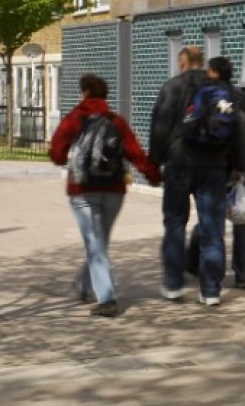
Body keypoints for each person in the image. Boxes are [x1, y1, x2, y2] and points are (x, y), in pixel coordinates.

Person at [48, 73, 161, 317]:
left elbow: (56, 152)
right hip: (113, 190)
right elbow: (135, 152)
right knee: (98, 243)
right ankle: (83, 283)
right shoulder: (116, 121)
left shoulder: (73, 119)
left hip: (82, 191)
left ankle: (107, 299)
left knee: (94, 244)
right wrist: (153, 176)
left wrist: (66, 157)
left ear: (85, 92)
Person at [149, 45, 245, 307]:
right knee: (212, 229)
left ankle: (173, 284)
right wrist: (239, 165)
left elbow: (159, 126)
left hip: (179, 164)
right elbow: (237, 129)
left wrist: (153, 163)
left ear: (182, 63)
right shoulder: (221, 91)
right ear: (202, 64)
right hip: (214, 166)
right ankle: (210, 290)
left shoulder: (172, 87)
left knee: (174, 223)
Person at [187, 57, 245, 288]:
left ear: (215, 73)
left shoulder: (209, 100)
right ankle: (243, 274)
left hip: (215, 168)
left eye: (208, 71)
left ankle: (210, 274)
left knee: (210, 223)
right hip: (241, 170)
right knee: (241, 223)